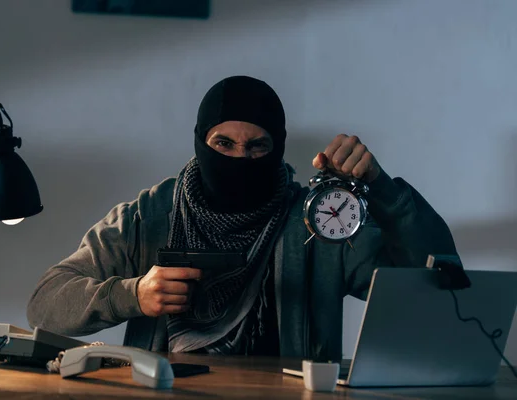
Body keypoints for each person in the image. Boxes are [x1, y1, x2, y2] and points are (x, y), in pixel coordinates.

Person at [27, 76, 458, 360]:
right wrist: (133, 294)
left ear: (277, 149)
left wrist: (382, 188)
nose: (240, 157)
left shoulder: (317, 221)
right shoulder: (147, 216)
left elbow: (432, 283)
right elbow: (45, 304)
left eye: (257, 146)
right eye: (223, 143)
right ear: (200, 142)